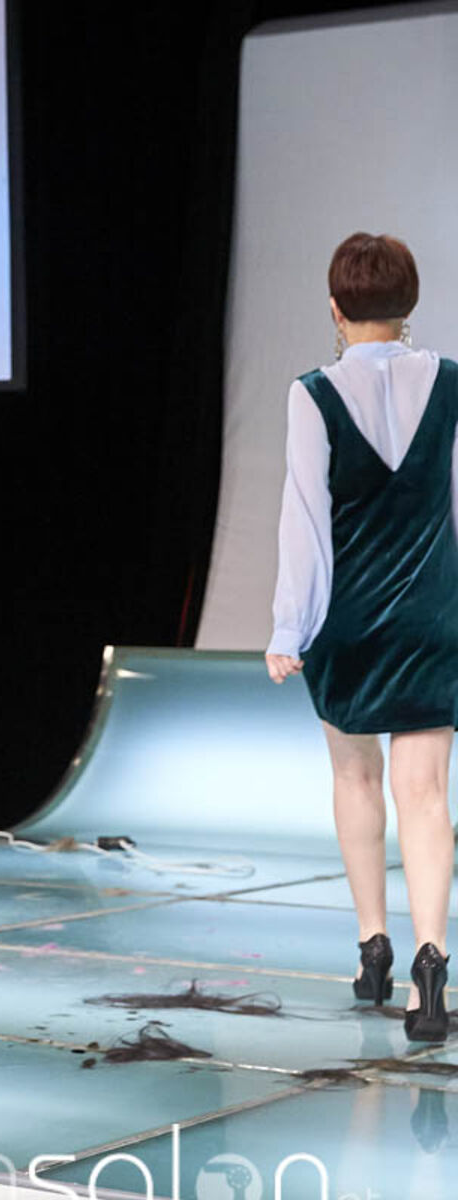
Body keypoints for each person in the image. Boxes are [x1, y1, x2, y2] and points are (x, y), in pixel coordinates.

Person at [266, 231, 454, 1043]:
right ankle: (430, 966)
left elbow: (305, 521)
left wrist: (289, 626)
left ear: (336, 309)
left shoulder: (313, 393)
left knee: (355, 778)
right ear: (408, 305)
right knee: (427, 794)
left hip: (349, 622)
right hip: (432, 619)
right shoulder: (451, 383)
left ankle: (372, 948)